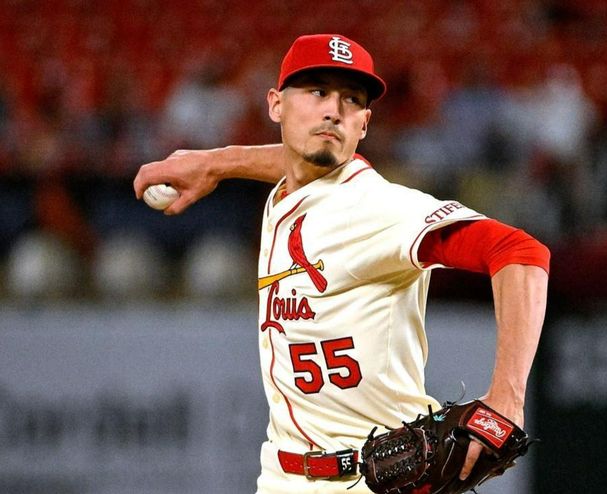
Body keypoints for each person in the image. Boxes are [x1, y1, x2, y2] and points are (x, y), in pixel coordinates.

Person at [134, 34, 550, 493]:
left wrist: (508, 396)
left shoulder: (374, 208)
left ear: (364, 124)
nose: (334, 109)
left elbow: (520, 252)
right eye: (317, 91)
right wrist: (217, 162)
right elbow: (299, 162)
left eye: (351, 100)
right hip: (282, 476)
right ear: (275, 105)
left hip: (372, 481)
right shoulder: (290, 191)